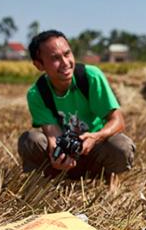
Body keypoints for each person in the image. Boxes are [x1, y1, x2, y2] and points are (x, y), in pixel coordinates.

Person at [18, 30, 135, 187]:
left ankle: (110, 179)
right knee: (30, 140)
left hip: (94, 150)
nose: (65, 62)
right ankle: (43, 183)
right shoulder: (37, 93)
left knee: (121, 146)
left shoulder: (90, 77)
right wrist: (57, 151)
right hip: (67, 155)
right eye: (55, 58)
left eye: (67, 54)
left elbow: (117, 121)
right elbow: (52, 132)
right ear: (39, 65)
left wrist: (96, 136)